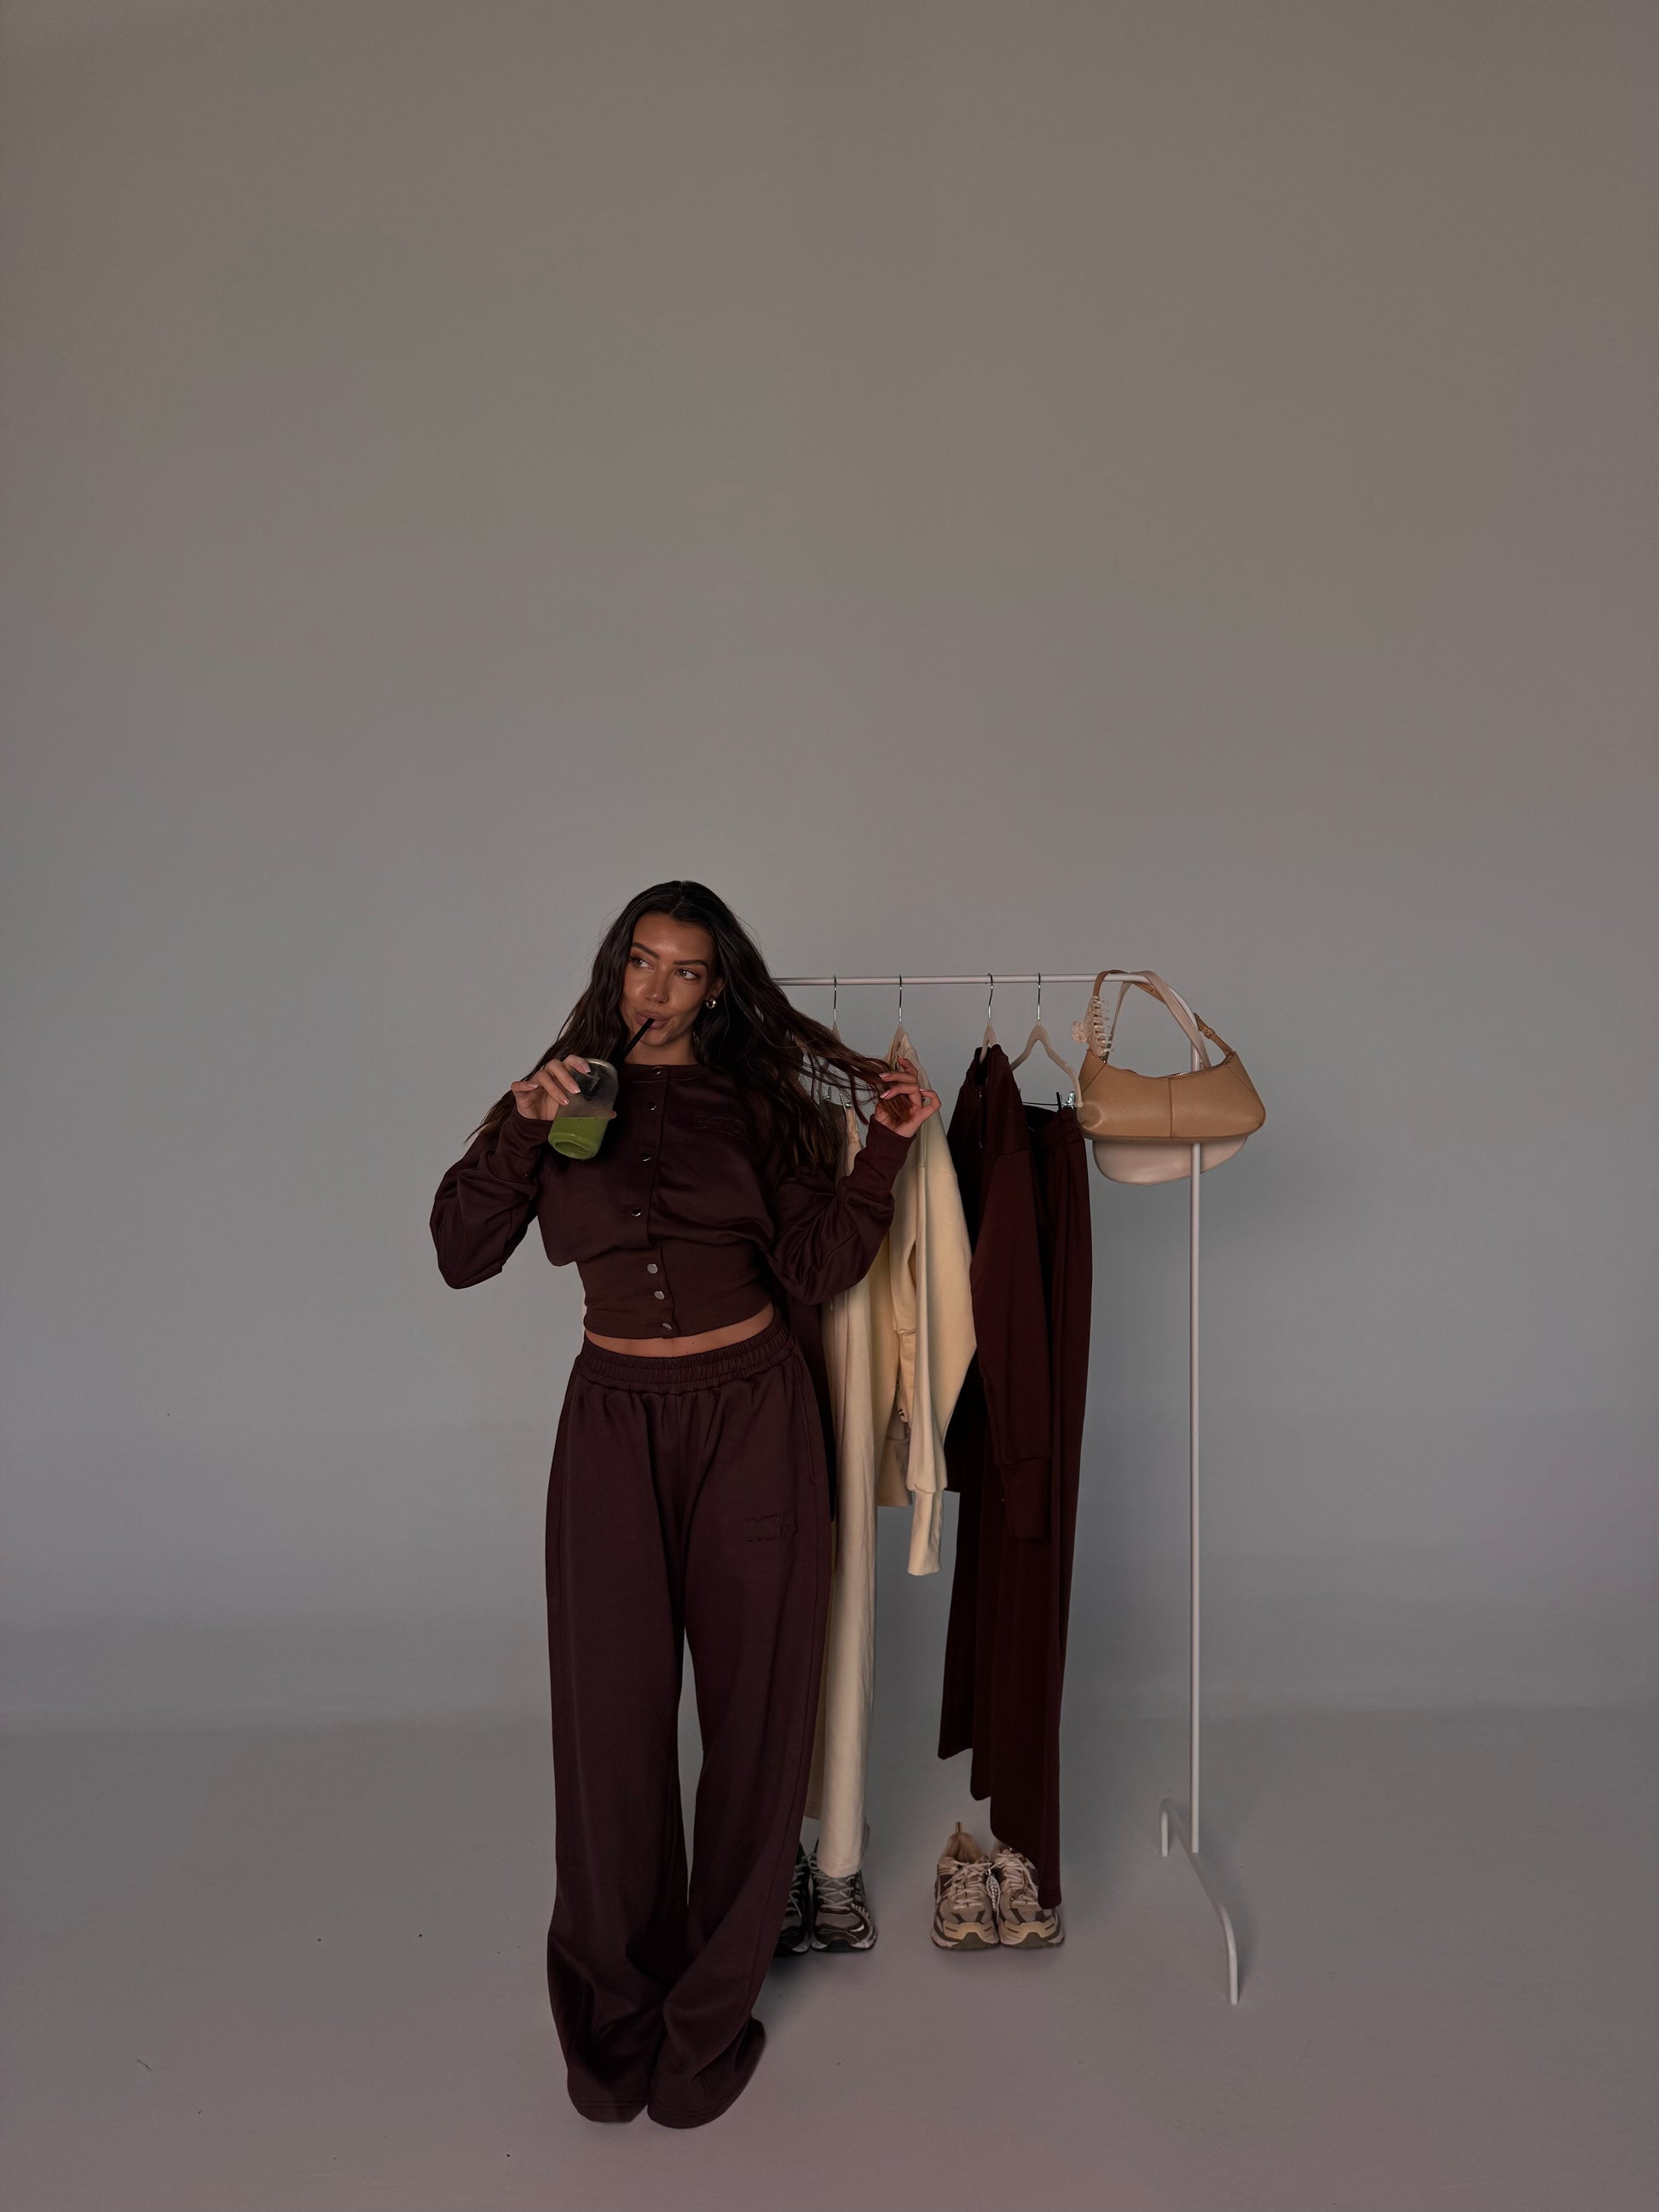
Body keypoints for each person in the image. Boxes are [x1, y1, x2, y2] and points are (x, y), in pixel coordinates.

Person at [429, 880, 939, 2128]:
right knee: (608, 1726)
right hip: (613, 1425)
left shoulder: (757, 1107)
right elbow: (459, 1253)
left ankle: (707, 2022)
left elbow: (816, 1265)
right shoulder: (550, 1100)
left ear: (717, 990)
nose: (657, 988)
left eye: (687, 970)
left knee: (757, 1719)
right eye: (642, 963)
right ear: (615, 969)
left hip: (753, 1420)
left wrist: (883, 1149)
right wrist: (520, 1126)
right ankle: (611, 2019)